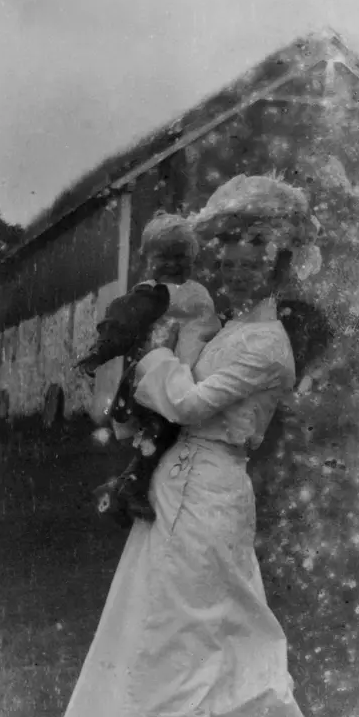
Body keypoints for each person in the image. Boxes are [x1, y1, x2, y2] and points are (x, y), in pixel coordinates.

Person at [46, 175, 334, 717]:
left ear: (279, 261)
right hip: (179, 489)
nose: (236, 264)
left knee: (188, 636)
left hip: (208, 494)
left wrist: (152, 363)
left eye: (253, 251)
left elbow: (192, 405)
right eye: (227, 248)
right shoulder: (224, 324)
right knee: (156, 635)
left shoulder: (264, 343)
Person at [78, 213, 224, 526]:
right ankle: (130, 485)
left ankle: (125, 487)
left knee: (172, 434)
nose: (172, 265)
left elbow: (208, 325)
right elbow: (121, 322)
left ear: (193, 258)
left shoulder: (196, 292)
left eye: (180, 257)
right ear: (146, 259)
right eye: (163, 258)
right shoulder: (151, 294)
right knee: (163, 430)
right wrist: (100, 352)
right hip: (154, 378)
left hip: (184, 375)